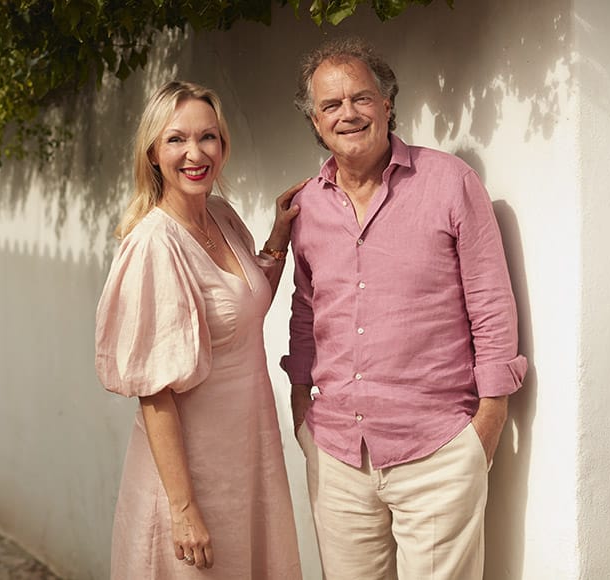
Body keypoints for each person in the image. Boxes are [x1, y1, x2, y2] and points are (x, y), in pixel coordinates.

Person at [283, 37, 529, 579]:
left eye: (361, 98)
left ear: (388, 104)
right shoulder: (308, 207)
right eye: (331, 105)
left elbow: (490, 301)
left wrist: (489, 418)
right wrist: (302, 403)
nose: (348, 113)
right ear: (315, 121)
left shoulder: (449, 182)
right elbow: (306, 309)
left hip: (437, 448)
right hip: (337, 451)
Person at [95, 80, 304, 579]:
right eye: (176, 139)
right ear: (152, 152)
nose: (195, 153)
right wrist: (184, 510)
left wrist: (277, 238)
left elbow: (242, 312)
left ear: (223, 145)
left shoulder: (222, 216)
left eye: (207, 137)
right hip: (191, 477)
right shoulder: (153, 245)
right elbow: (155, 392)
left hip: (247, 459)